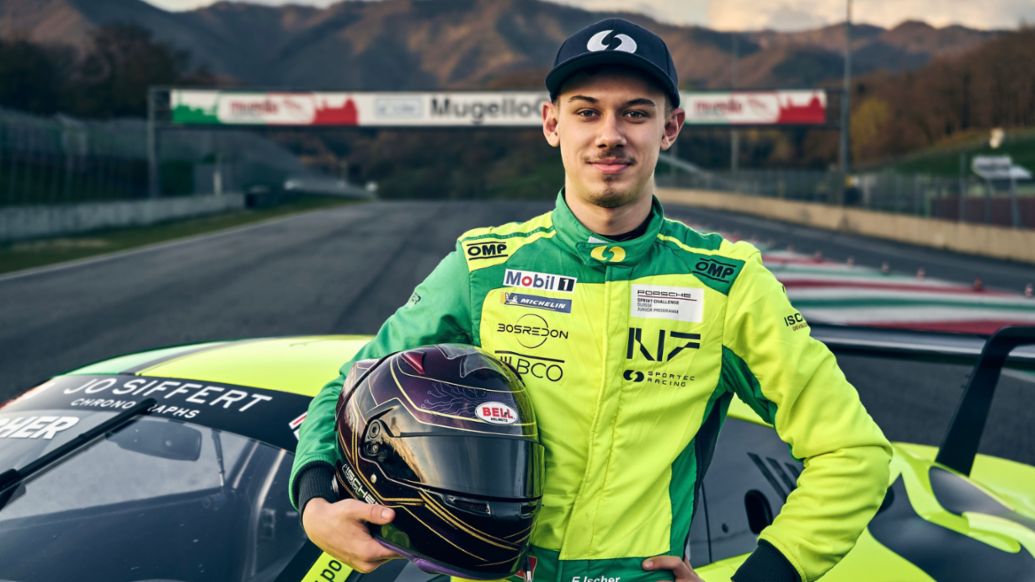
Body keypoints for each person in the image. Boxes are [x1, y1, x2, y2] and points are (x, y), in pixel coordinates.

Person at [290, 18, 892, 582]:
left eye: (635, 113)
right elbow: (353, 382)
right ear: (553, 124)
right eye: (587, 112)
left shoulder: (727, 284)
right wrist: (315, 500)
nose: (611, 135)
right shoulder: (483, 267)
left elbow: (855, 453)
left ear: (670, 128)